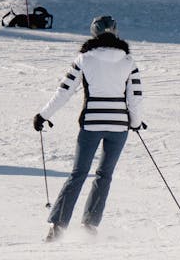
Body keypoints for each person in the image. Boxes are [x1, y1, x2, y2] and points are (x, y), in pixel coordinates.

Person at [33, 15, 145, 242]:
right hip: (118, 127)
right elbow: (135, 98)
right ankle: (89, 225)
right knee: (104, 175)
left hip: (91, 124)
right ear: (115, 31)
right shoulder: (128, 61)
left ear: (94, 34)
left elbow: (64, 91)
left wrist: (43, 115)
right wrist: (135, 122)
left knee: (78, 174)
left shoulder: (84, 59)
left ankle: (57, 227)